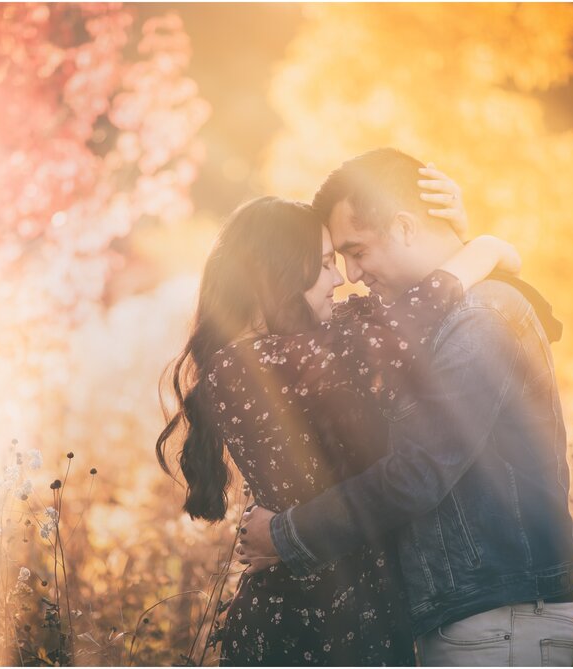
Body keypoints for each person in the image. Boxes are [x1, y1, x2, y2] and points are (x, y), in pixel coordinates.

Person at [156, 171, 521, 665]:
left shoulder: (297, 351)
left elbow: (409, 297)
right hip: (308, 627)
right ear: (281, 270)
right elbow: (422, 305)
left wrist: (459, 236)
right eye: (326, 264)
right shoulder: (255, 365)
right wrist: (489, 244)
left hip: (351, 617)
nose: (340, 278)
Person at [239, 148, 573, 666]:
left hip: (501, 617)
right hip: (476, 614)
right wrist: (484, 245)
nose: (351, 274)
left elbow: (418, 472)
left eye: (357, 250)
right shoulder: (434, 320)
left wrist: (286, 534)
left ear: (403, 226)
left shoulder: (481, 317)